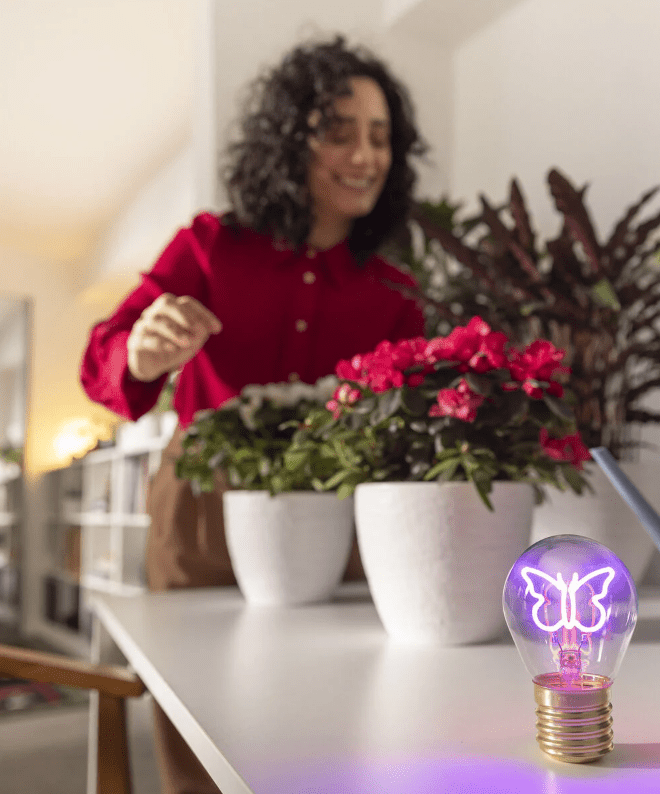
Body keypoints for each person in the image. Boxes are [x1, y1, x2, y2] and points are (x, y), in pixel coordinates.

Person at [80, 35, 427, 794]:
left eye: (379, 136)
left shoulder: (398, 290)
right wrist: (140, 353)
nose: (365, 155)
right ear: (286, 139)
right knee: (199, 715)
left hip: (343, 518)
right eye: (339, 132)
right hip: (201, 510)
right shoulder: (210, 246)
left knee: (334, 711)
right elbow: (104, 360)